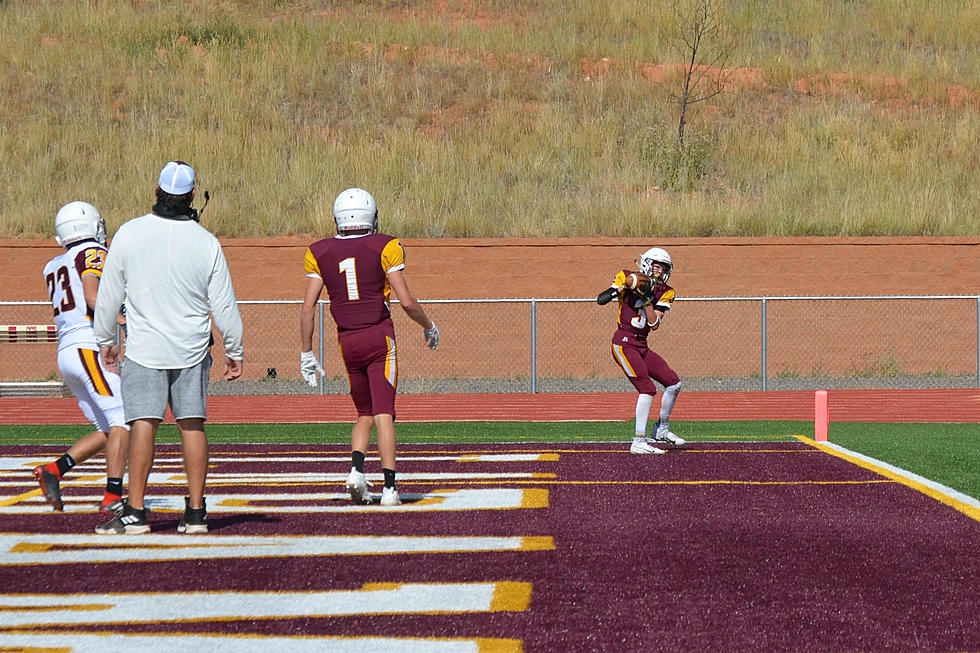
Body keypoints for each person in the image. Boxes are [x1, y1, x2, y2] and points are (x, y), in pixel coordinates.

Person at [92, 161, 244, 535]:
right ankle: (195, 512)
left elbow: (109, 295)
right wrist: (235, 347)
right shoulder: (206, 241)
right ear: (193, 195)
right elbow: (223, 303)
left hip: (145, 349)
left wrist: (105, 341)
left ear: (156, 190)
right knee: (192, 425)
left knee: (143, 423)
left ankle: (136, 511)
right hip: (191, 348)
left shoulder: (129, 234)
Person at [300, 187, 439, 507]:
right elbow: (405, 300)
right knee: (384, 414)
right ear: (370, 216)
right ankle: (390, 488)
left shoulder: (319, 251)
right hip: (379, 337)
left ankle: (356, 471)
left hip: (346, 340)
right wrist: (428, 325)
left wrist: (306, 352)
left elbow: (308, 308)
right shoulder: (385, 246)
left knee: (363, 412)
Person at [34, 201, 131, 518]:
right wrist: (125, 320)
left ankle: (54, 470)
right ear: (90, 225)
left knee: (108, 428)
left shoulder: (55, 263)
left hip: (68, 350)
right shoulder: (91, 252)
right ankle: (112, 496)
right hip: (86, 346)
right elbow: (92, 296)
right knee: (123, 420)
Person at [597, 247, 685, 455]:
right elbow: (604, 297)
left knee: (674, 383)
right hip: (624, 343)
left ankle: (661, 429)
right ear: (646, 264)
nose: (659, 271)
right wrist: (621, 289)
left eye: (663, 268)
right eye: (656, 266)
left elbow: (653, 323)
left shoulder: (667, 291)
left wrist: (646, 299)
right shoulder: (627, 276)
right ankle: (638, 440)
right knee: (647, 388)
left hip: (642, 344)